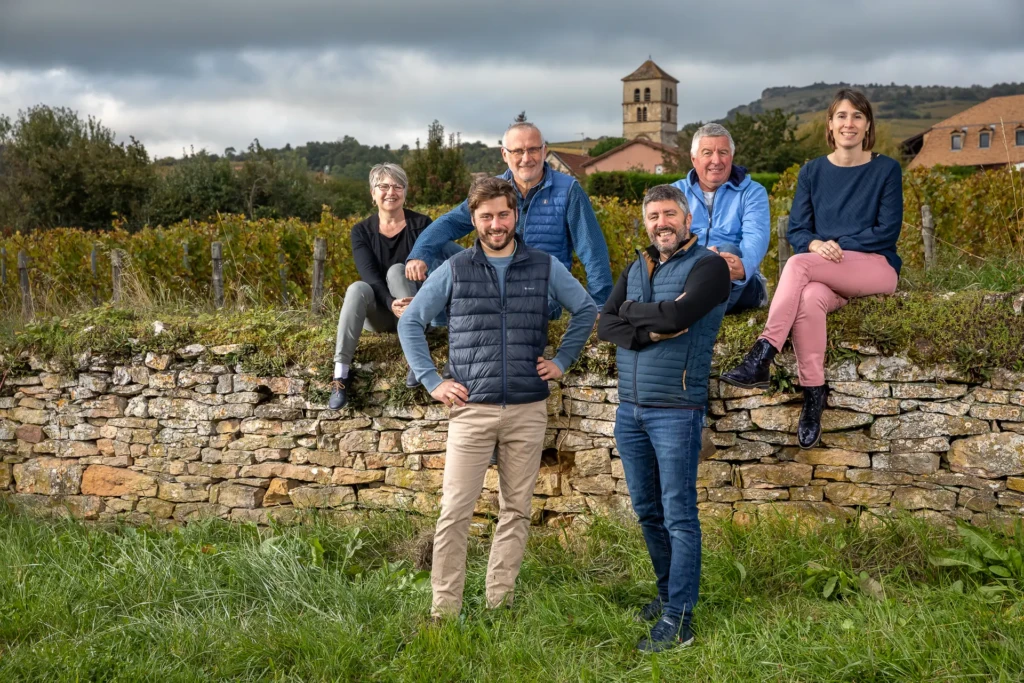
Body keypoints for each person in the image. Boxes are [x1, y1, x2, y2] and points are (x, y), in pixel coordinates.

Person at [398, 177, 597, 619]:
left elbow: (585, 309)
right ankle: (443, 610)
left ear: (515, 215)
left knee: (516, 510)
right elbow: (410, 322)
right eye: (485, 216)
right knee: (454, 511)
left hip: (527, 408)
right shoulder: (454, 269)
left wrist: (562, 360)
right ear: (473, 220)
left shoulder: (544, 265)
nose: (495, 224)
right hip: (471, 411)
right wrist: (433, 381)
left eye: (503, 214)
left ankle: (498, 604)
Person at [721, 89, 903, 449]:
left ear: (868, 125)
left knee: (799, 263)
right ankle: (814, 396)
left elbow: (887, 230)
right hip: (827, 271)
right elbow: (799, 230)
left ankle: (764, 352)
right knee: (810, 298)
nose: (848, 123)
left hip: (876, 268)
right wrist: (818, 244)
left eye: (857, 116)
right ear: (830, 125)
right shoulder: (812, 171)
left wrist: (832, 245)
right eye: (841, 116)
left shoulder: (886, 169)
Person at [597, 184, 731, 652]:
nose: (661, 223)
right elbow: (604, 324)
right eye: (653, 216)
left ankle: (680, 617)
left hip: (676, 409)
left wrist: (633, 315)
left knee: (678, 515)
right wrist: (646, 333)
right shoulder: (636, 265)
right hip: (629, 411)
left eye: (669, 214)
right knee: (647, 511)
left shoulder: (709, 267)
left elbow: (680, 314)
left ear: (687, 219)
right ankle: (666, 594)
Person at [404, 121, 612, 314]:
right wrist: (419, 254)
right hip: (493, 281)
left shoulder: (568, 190)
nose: (526, 158)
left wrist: (599, 306)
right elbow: (449, 223)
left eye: (533, 149)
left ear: (544, 150)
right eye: (518, 151)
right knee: (436, 246)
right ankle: (441, 324)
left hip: (543, 292)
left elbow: (592, 249)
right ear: (504, 154)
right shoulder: (491, 190)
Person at [328, 162, 458, 409]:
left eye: (398, 186)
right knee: (357, 288)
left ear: (405, 192)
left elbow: (433, 270)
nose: (391, 192)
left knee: (398, 270)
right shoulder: (361, 232)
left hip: (418, 310)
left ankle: (414, 357)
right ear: (373, 193)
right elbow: (370, 276)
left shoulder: (422, 224)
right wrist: (390, 303)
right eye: (384, 186)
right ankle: (340, 374)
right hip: (381, 313)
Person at [670, 122, 770, 314]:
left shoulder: (753, 192)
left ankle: (688, 313)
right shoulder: (675, 193)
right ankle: (698, 309)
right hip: (691, 274)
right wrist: (702, 259)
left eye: (723, 152)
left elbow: (756, 237)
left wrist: (745, 265)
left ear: (731, 157)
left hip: (740, 280)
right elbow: (670, 239)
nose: (716, 160)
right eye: (707, 153)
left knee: (727, 251)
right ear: (694, 159)